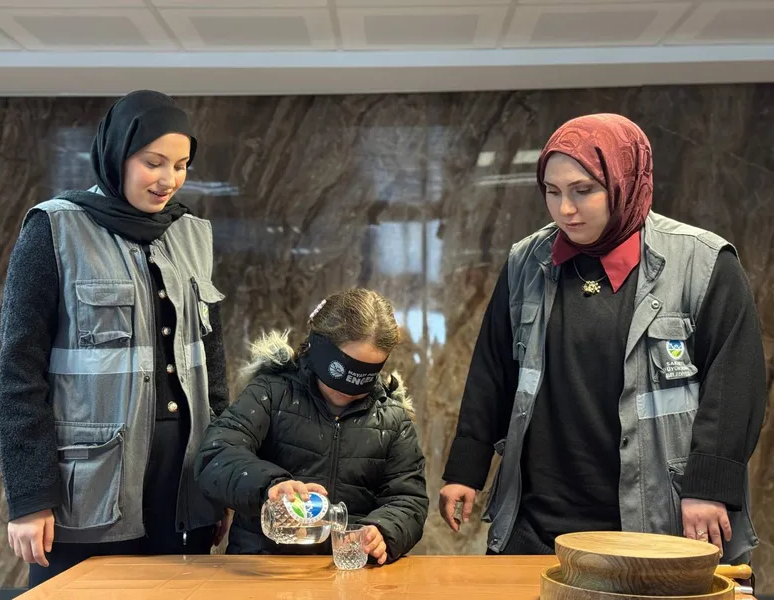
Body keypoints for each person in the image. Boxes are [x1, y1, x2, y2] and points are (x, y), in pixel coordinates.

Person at [438, 113, 766, 565]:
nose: (564, 210)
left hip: (656, 518)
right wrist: (466, 468)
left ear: (623, 182)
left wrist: (708, 487)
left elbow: (735, 384)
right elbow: (492, 371)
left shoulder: (703, 261)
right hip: (537, 525)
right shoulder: (526, 262)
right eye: (552, 191)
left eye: (583, 190)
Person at [0, 90, 231, 587]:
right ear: (116, 154)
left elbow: (211, 367)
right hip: (90, 485)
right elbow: (19, 373)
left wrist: (223, 475)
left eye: (181, 165)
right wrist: (29, 497)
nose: (168, 179)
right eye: (153, 162)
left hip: (184, 482)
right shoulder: (54, 228)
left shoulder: (192, 233)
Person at [195, 288, 428, 564]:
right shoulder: (271, 393)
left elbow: (408, 498)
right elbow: (217, 453)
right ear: (318, 347)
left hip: (347, 570)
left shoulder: (393, 419)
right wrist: (269, 486)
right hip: (262, 564)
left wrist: (383, 531)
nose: (348, 390)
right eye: (341, 371)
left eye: (363, 377)